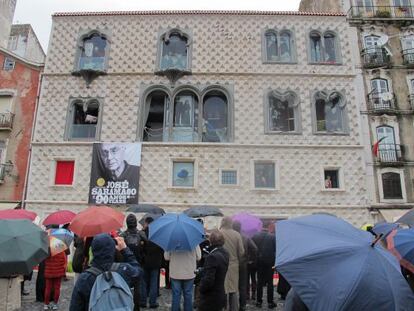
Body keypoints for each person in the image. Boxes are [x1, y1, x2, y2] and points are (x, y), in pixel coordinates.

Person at [69, 234, 141, 311]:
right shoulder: (124, 270)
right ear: (113, 249)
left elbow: (75, 307)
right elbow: (138, 271)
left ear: (93, 251)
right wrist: (125, 249)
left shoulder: (85, 278)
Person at [198, 230, 230, 311]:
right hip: (220, 293)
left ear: (211, 241)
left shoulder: (212, 256)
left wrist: (201, 288)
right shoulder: (225, 253)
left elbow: (209, 280)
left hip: (210, 297)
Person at [164, 245, 201, 311]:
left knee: (176, 294)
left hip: (175, 273)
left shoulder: (171, 241)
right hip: (189, 272)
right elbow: (199, 257)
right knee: (188, 294)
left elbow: (166, 257)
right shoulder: (193, 241)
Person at [121, 214, 146, 311]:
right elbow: (147, 246)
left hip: (126, 264)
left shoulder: (123, 235)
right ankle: (137, 307)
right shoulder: (141, 234)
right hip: (138, 263)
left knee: (125, 286)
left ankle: (126, 305)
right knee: (138, 287)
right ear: (135, 223)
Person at [220, 217, 245, 311]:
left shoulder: (219, 233)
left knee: (222, 288)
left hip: (221, 264)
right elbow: (241, 252)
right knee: (233, 290)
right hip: (234, 265)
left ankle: (223, 308)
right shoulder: (237, 234)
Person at [232, 221, 257, 311]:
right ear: (240, 228)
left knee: (232, 285)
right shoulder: (245, 238)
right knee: (243, 285)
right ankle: (242, 305)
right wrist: (250, 259)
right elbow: (255, 248)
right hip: (243, 263)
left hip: (232, 264)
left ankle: (232, 305)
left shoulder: (231, 237)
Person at [139, 217, 164, 308]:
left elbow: (140, 249)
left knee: (143, 282)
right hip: (156, 262)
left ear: (146, 223)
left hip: (144, 262)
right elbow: (162, 248)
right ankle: (153, 302)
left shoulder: (142, 234)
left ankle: (143, 301)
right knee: (154, 282)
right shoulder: (159, 234)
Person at [252, 225, 276, 309]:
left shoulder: (255, 236)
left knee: (260, 282)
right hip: (270, 262)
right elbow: (275, 250)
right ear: (268, 228)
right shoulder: (273, 237)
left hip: (259, 262)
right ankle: (270, 302)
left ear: (261, 228)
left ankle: (259, 301)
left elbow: (252, 249)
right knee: (270, 282)